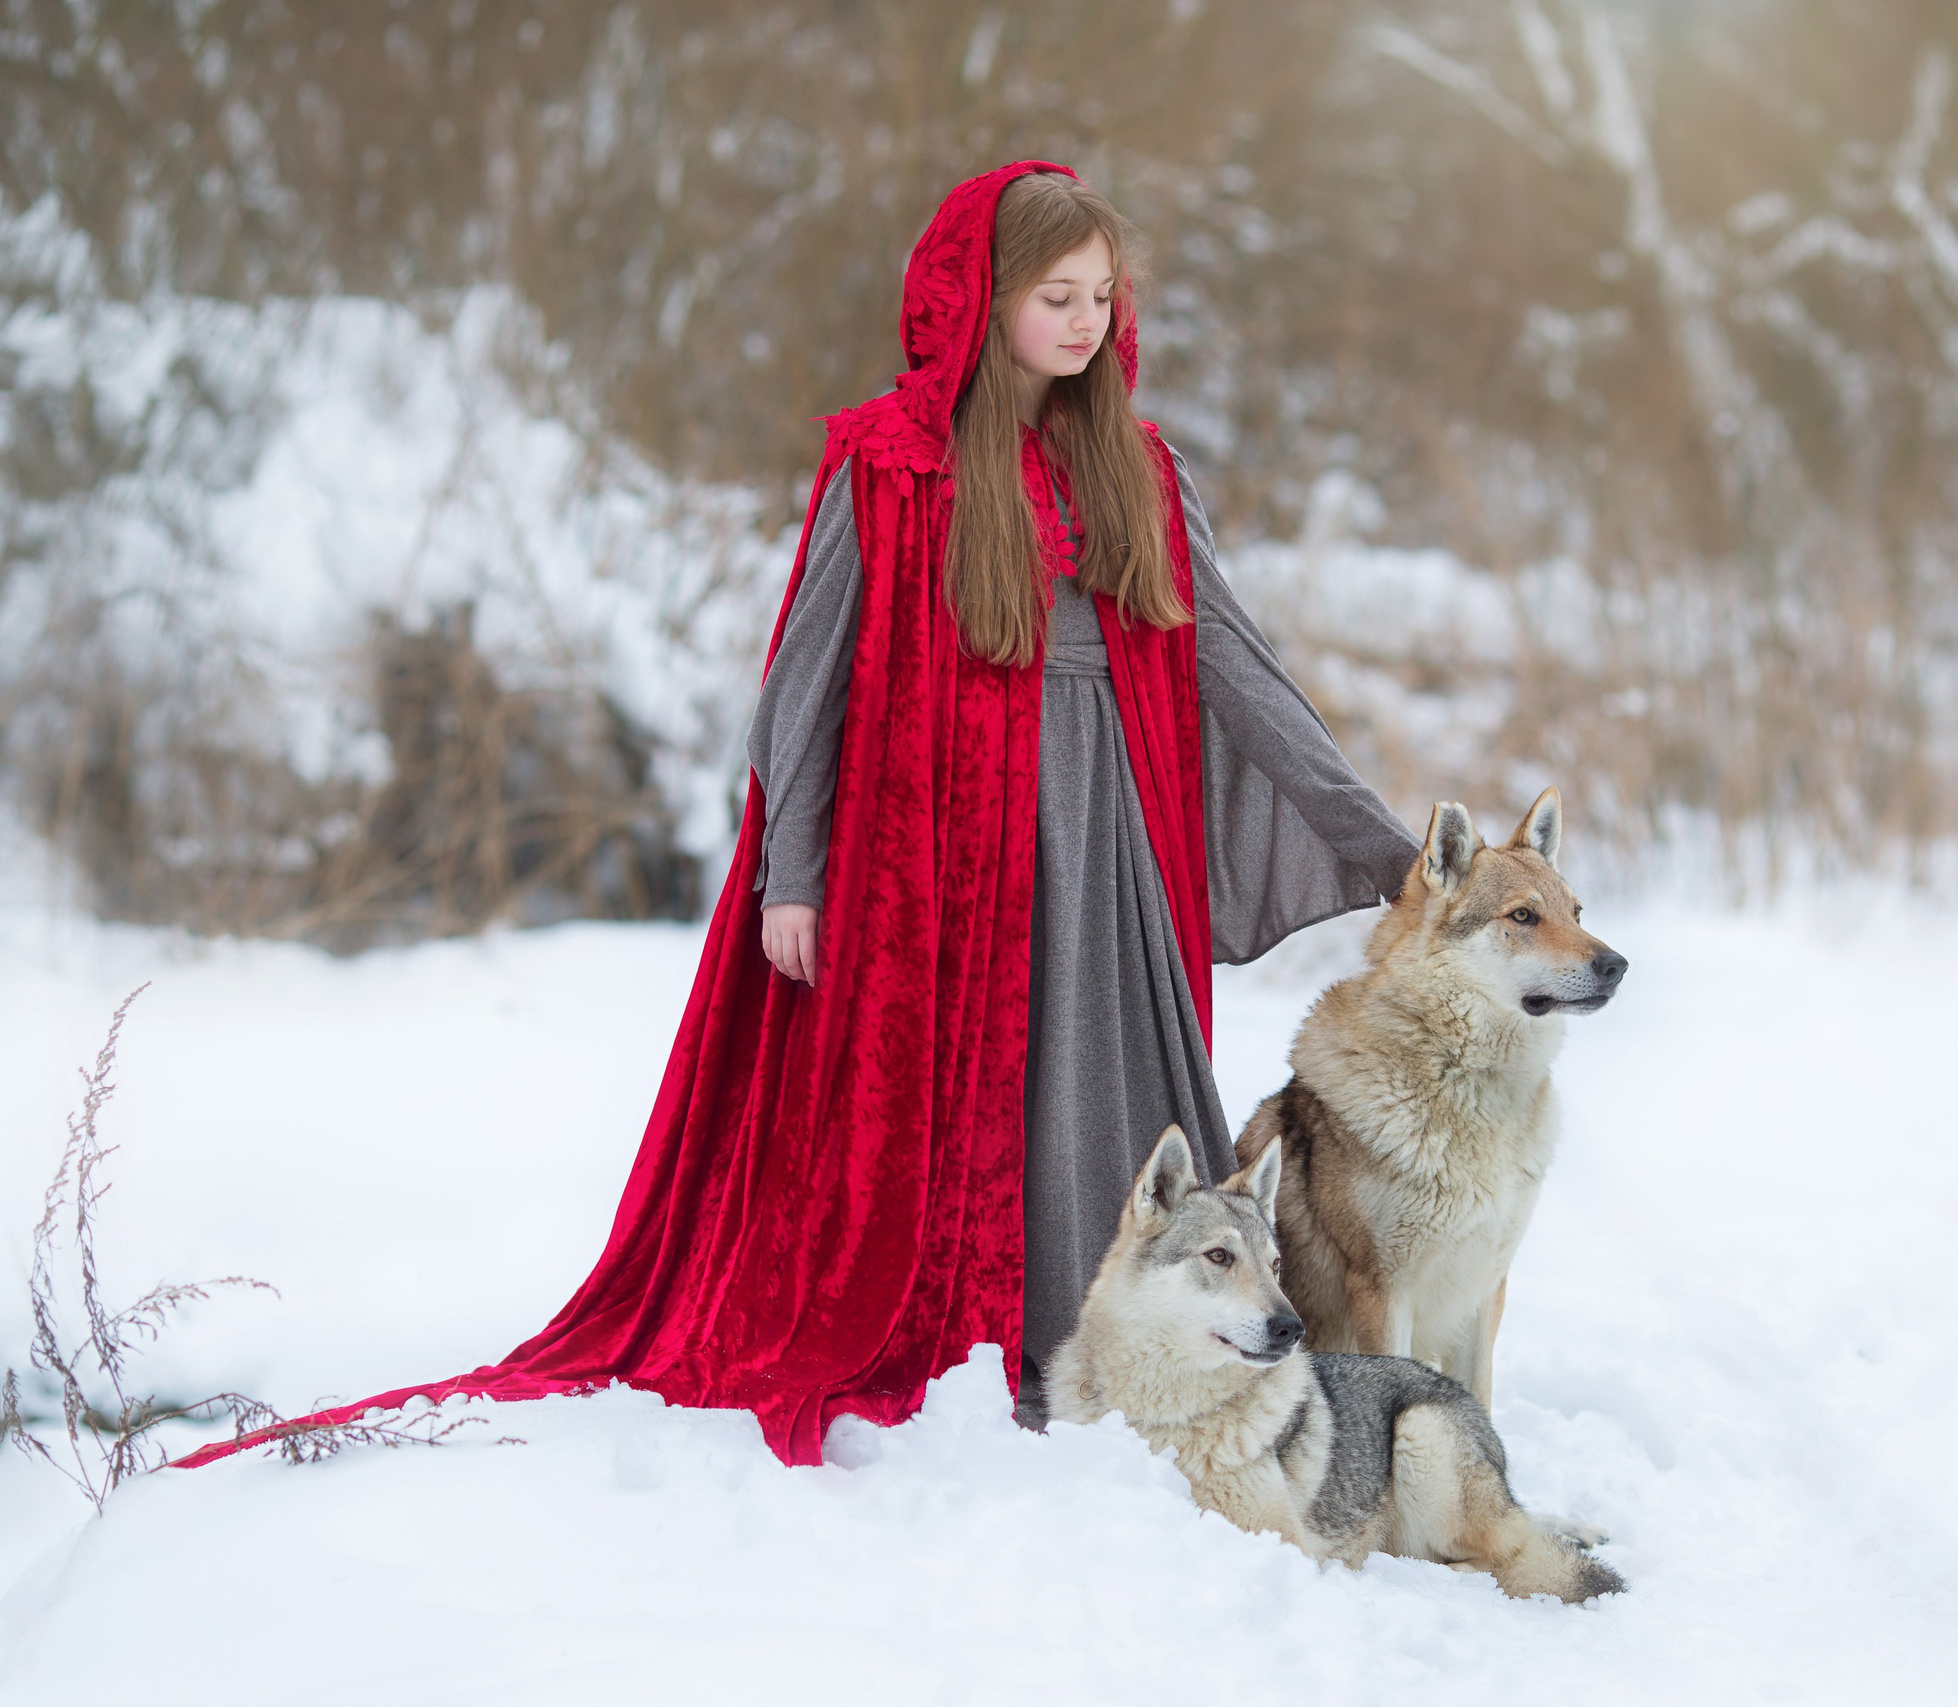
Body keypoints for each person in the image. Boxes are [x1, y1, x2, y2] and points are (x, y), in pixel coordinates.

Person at [175, 160, 1415, 1470]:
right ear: (980, 298)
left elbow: (1232, 658)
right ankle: (959, 1338)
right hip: (934, 851)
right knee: (950, 1101)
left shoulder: (1134, 465)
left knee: (1092, 1063)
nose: (1087, 320)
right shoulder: (888, 464)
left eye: (1104, 296)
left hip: (1104, 833)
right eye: (1057, 295)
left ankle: (1113, 1340)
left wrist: (1379, 843)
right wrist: (794, 872)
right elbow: (808, 682)